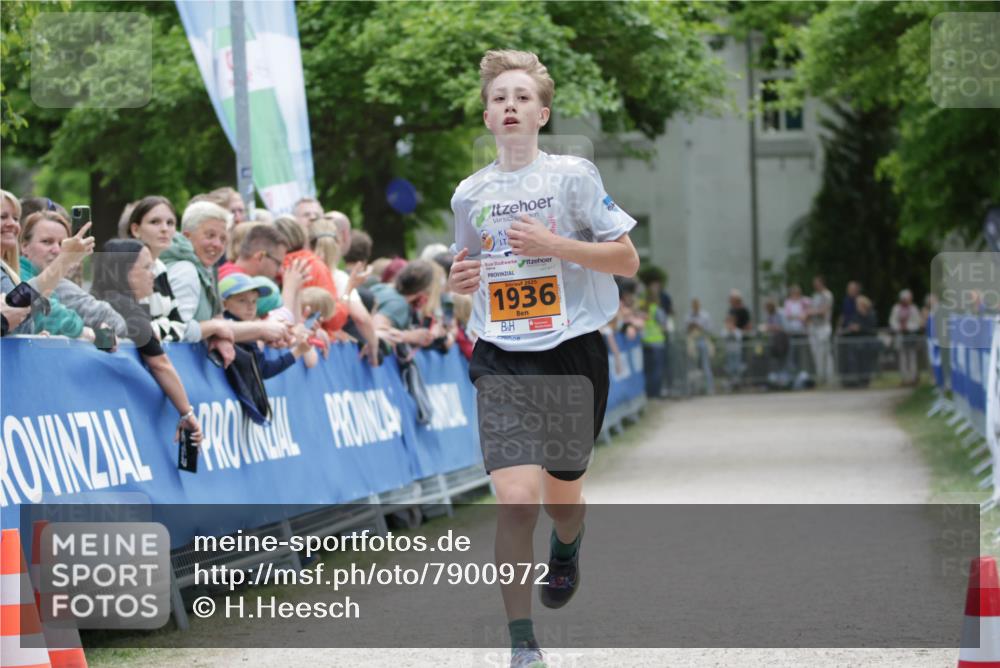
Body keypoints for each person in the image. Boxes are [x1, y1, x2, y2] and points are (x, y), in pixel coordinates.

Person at [447, 50, 639, 668]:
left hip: (571, 351)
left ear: (542, 113)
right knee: (516, 501)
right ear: (487, 115)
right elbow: (469, 267)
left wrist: (555, 245)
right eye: (500, 96)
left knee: (560, 500)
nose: (510, 105)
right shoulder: (469, 193)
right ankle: (522, 642)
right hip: (501, 352)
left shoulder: (573, 177)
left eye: (522, 97)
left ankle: (568, 542)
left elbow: (626, 260)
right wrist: (461, 279)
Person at [91, 239, 203, 445]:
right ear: (124, 271)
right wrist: (187, 413)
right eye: (146, 268)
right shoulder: (127, 309)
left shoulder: (95, 299)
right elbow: (159, 364)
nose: (153, 275)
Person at [128, 197, 236, 349]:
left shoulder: (159, 268)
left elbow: (175, 327)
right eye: (155, 222)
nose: (165, 229)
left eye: (170, 223)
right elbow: (111, 327)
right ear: (135, 229)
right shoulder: (184, 269)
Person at [19, 210, 125, 337]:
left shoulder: (55, 282)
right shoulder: (18, 275)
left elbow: (115, 328)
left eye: (62, 244)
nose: (57, 250)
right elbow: (51, 317)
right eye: (46, 241)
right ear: (24, 246)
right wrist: (94, 336)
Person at [219, 273, 316, 374]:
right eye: (242, 300)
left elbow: (261, 368)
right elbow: (263, 370)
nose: (250, 306)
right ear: (224, 304)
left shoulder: (250, 331)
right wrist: (298, 351)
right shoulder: (225, 326)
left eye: (254, 301)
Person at [637, 266, 670, 398]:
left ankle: (647, 394)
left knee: (647, 371)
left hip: (644, 343)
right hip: (657, 343)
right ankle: (655, 394)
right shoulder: (656, 309)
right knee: (656, 372)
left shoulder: (642, 308)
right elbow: (664, 325)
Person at [890, 289, 923, 386]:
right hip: (900, 335)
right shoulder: (896, 308)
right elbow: (892, 321)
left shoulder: (913, 308)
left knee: (912, 357)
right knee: (902, 358)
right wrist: (899, 327)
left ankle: (913, 377)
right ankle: (905, 378)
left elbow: (917, 322)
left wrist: (908, 327)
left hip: (910, 335)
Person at [807, 275, 834, 385]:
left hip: (823, 327)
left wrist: (810, 312)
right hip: (814, 327)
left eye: (817, 283)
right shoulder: (815, 296)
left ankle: (829, 378)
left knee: (825, 353)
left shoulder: (827, 295)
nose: (815, 286)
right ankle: (820, 377)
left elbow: (823, 310)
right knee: (816, 353)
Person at [686, 298, 714, 395]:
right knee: (692, 367)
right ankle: (694, 389)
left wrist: (700, 327)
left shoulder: (705, 315)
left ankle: (710, 388)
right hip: (692, 341)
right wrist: (691, 326)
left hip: (702, 340)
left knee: (706, 365)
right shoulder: (689, 316)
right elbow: (686, 328)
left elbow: (709, 329)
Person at [781, 284, 810, 373]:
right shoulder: (788, 302)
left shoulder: (803, 301)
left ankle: (804, 372)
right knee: (792, 354)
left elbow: (808, 310)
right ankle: (793, 373)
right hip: (792, 332)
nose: (795, 295)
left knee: (802, 354)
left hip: (802, 331)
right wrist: (798, 316)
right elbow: (787, 316)